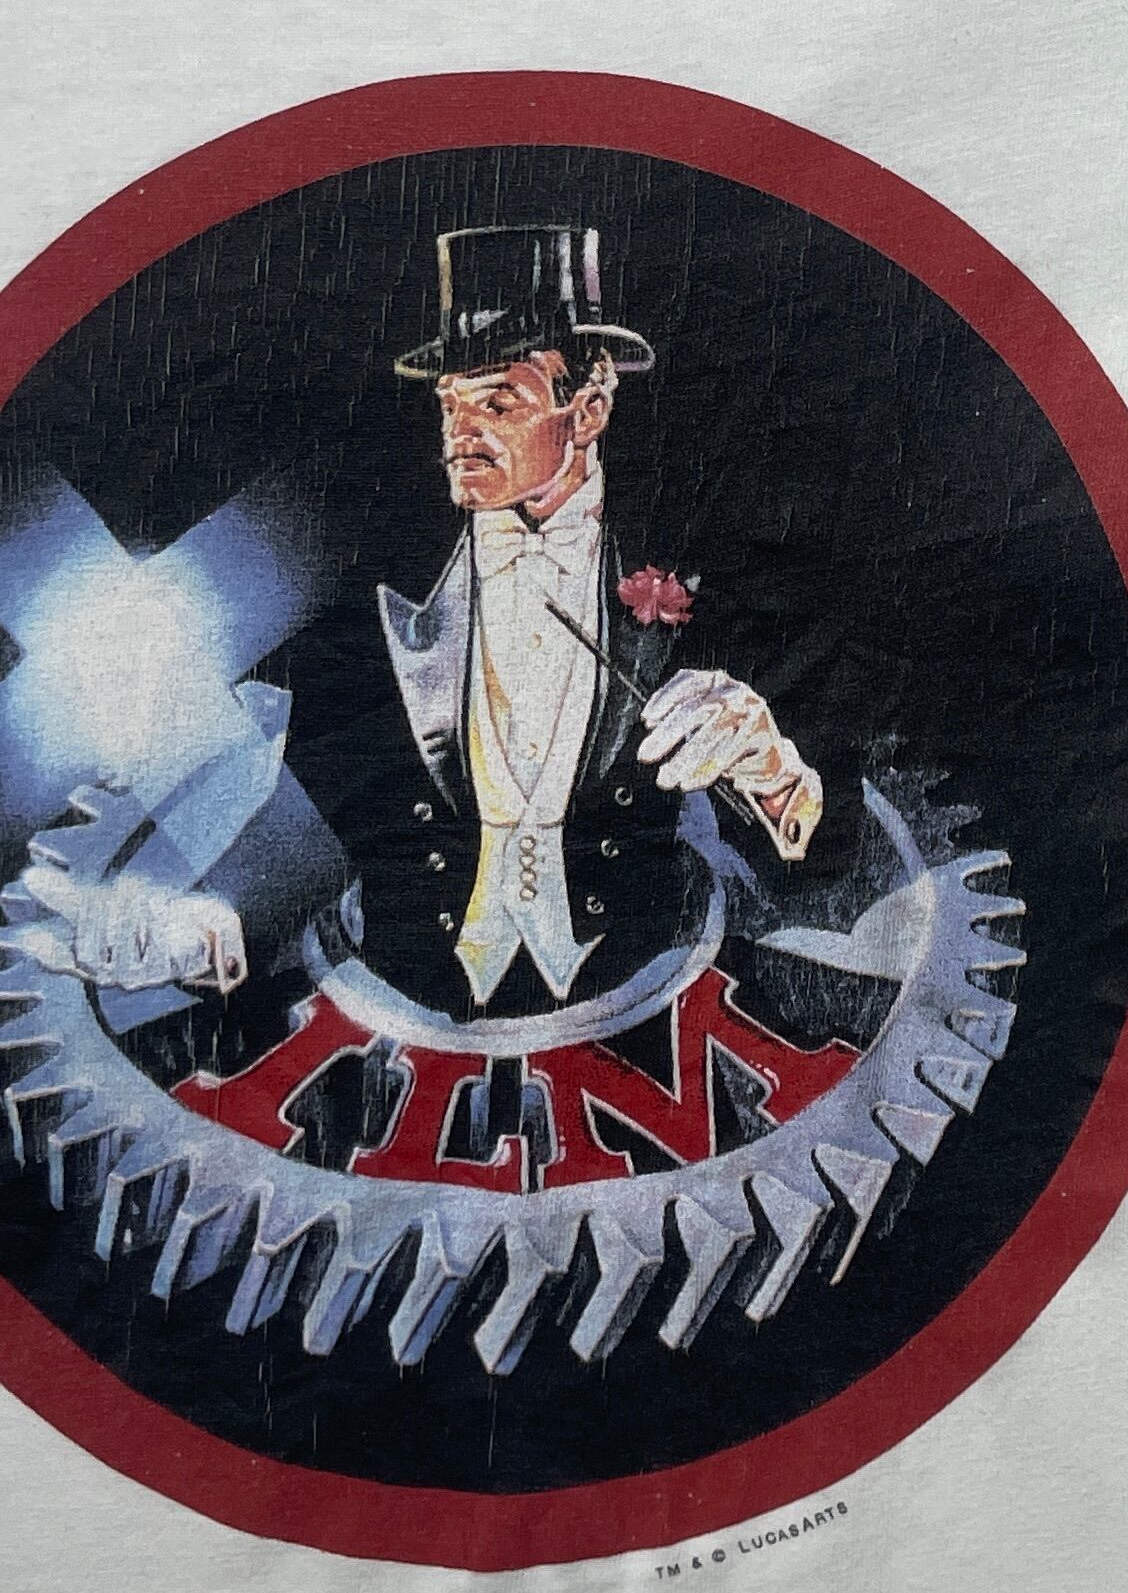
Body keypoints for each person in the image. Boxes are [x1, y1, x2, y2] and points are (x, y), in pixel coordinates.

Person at [21, 222, 827, 1025]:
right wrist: (204, 924)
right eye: (450, 404)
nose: (459, 435)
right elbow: (316, 817)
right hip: (412, 1030)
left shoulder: (702, 568)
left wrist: (776, 772)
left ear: (587, 411)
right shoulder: (378, 592)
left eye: (498, 402)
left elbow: (832, 855)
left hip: (651, 1009)